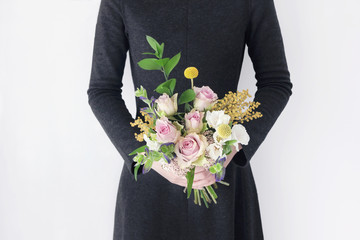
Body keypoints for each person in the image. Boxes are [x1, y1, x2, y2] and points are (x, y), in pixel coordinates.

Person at [87, 0, 293, 239]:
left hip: (222, 178)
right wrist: (150, 158)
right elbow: (102, 90)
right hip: (149, 184)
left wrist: (229, 147)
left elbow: (276, 83)